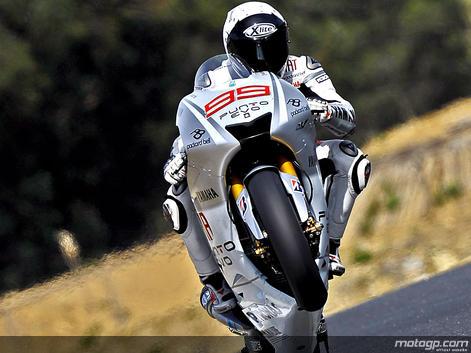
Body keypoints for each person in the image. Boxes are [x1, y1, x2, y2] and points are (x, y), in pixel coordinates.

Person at [163, 1, 371, 328]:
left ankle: (329, 246)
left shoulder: (303, 68)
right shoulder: (215, 78)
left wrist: (326, 110)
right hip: (234, 152)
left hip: (295, 152)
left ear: (285, 42)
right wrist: (179, 154)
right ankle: (216, 286)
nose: (262, 59)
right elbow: (194, 124)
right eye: (250, 51)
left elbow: (347, 115)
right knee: (177, 197)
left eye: (271, 47)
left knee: (351, 158)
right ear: (232, 51)